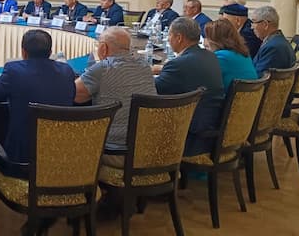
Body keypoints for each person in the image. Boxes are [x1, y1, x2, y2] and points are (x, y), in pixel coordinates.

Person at [0, 30, 76, 170]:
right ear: (50, 52)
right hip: (58, 157)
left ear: (23, 52)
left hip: (22, 162)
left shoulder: (14, 70)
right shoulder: (67, 71)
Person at [74, 27, 156, 166]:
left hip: (117, 151)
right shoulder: (145, 66)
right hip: (149, 148)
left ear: (103, 48)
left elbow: (74, 95)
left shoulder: (103, 68)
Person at [153, 18, 224, 156]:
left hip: (192, 135)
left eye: (169, 35)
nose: (168, 39)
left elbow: (152, 90)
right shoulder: (210, 56)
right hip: (212, 124)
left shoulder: (178, 64)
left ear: (179, 38)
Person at [203, 18, 258, 92]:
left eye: (207, 37)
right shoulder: (243, 53)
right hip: (249, 98)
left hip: (228, 98)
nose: (205, 41)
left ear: (214, 40)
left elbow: (204, 81)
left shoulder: (221, 57)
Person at [251, 6, 296, 76]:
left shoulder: (273, 47)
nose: (251, 27)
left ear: (265, 24)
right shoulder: (276, 41)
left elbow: (259, 77)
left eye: (254, 22)